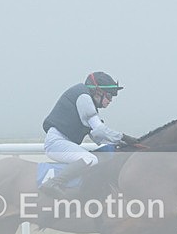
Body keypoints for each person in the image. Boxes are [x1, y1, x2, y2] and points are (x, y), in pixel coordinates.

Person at [40, 71, 136, 199]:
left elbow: (97, 136)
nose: (110, 100)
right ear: (97, 91)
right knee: (90, 159)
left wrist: (120, 144)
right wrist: (124, 137)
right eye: (109, 95)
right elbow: (100, 130)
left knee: (101, 155)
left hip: (63, 142)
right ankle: (53, 183)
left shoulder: (86, 101)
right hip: (56, 143)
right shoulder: (83, 98)